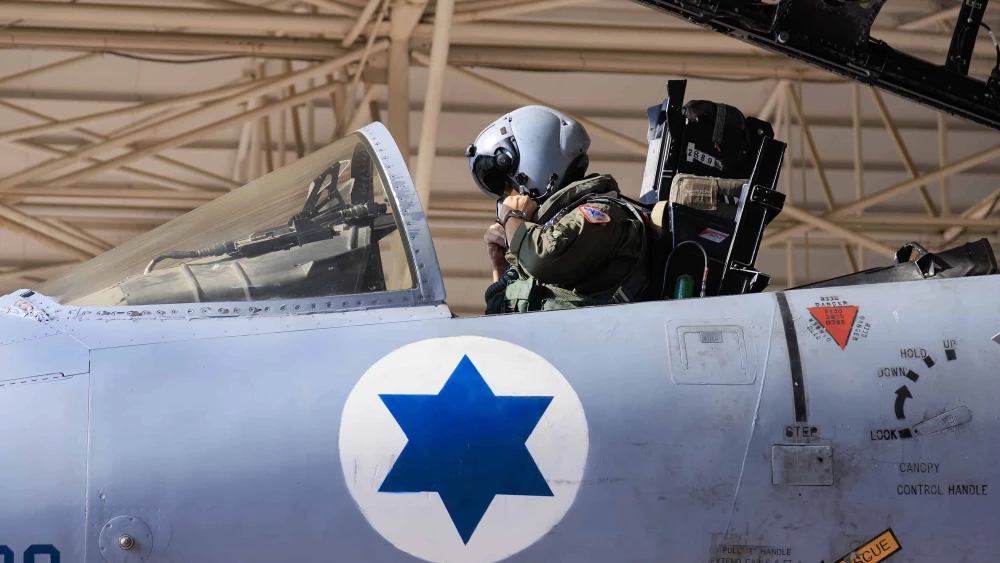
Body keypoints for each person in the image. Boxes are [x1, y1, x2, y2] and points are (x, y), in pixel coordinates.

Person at [466, 105, 648, 314]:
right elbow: (504, 318)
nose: (508, 197)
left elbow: (544, 259)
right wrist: (501, 265)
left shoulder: (600, 212)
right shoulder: (546, 233)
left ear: (535, 159)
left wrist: (513, 217)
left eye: (508, 185)